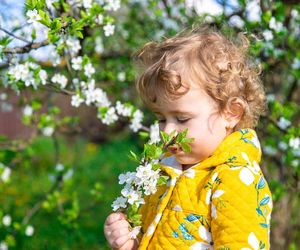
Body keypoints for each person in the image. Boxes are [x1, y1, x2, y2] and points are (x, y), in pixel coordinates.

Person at [104, 25, 272, 250]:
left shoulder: (236, 179)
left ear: (231, 113)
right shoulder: (163, 171)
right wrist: (129, 242)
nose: (167, 132)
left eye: (182, 119)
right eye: (161, 119)